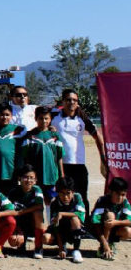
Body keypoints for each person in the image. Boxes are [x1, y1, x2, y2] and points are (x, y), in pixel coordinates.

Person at [50, 88, 106, 217]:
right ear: (62, 102)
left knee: (81, 196)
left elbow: (98, 138)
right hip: (60, 165)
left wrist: (103, 158)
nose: (71, 102)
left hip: (79, 164)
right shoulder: (53, 116)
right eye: (68, 100)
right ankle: (59, 224)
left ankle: (84, 225)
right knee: (60, 196)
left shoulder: (82, 117)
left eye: (74, 100)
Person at [21, 106, 65, 204]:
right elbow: (25, 158)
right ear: (36, 118)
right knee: (35, 201)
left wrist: (61, 175)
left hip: (52, 176)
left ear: (50, 119)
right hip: (35, 176)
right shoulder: (30, 136)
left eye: (46, 118)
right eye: (41, 118)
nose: (44, 121)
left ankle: (49, 218)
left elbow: (59, 157)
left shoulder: (55, 136)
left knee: (50, 201)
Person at [0, 103, 25, 195]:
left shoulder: (17, 130)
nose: (4, 117)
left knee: (10, 201)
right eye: (2, 114)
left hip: (11, 173)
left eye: (7, 115)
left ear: (11, 116)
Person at [42, 176, 86, 263]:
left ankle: (76, 250)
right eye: (62, 193)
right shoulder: (54, 202)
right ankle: (63, 245)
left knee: (75, 219)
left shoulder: (77, 197)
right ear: (58, 193)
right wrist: (61, 248)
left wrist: (62, 213)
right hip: (61, 230)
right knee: (45, 238)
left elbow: (80, 214)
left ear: (73, 192)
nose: (65, 197)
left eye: (68, 193)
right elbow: (55, 226)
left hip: (73, 229)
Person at [6, 165, 46, 258]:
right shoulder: (13, 192)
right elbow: (8, 209)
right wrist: (17, 229)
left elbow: (39, 205)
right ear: (19, 178)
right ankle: (21, 245)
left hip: (33, 223)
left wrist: (21, 212)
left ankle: (38, 247)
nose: (28, 180)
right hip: (20, 223)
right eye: (25, 177)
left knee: (38, 213)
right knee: (13, 241)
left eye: (31, 178)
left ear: (36, 180)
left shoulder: (37, 190)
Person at [90, 177, 131, 260]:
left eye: (123, 195)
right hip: (98, 230)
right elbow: (95, 224)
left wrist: (116, 223)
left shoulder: (125, 202)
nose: (120, 197)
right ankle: (103, 247)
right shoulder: (102, 200)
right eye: (117, 194)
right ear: (111, 192)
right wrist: (104, 243)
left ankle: (110, 243)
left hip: (113, 229)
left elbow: (129, 220)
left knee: (128, 231)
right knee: (110, 215)